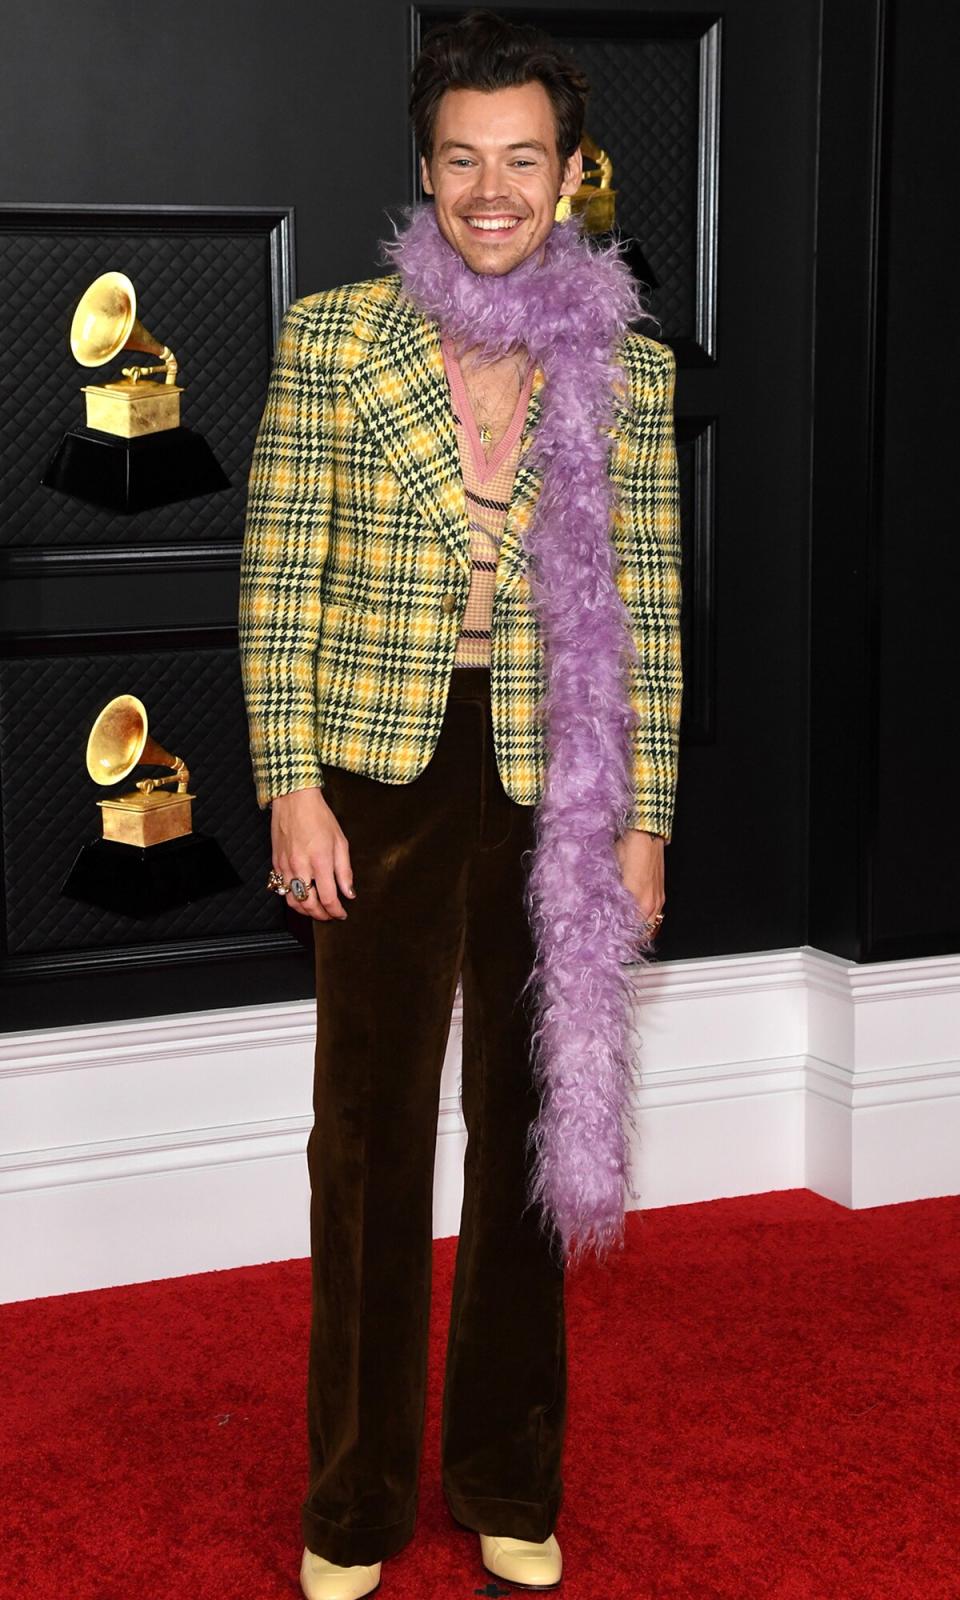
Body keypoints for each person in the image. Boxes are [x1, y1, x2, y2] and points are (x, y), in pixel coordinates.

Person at [238, 11, 682, 1598]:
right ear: (425, 173)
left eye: (522, 162)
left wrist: (644, 819)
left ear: (571, 176)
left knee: (527, 1132)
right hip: (375, 773)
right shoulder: (339, 340)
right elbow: (278, 575)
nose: (491, 192)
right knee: (363, 1145)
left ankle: (506, 1472)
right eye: (459, 162)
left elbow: (650, 604)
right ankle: (351, 1498)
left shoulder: (622, 360)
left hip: (555, 783)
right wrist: (290, 781)